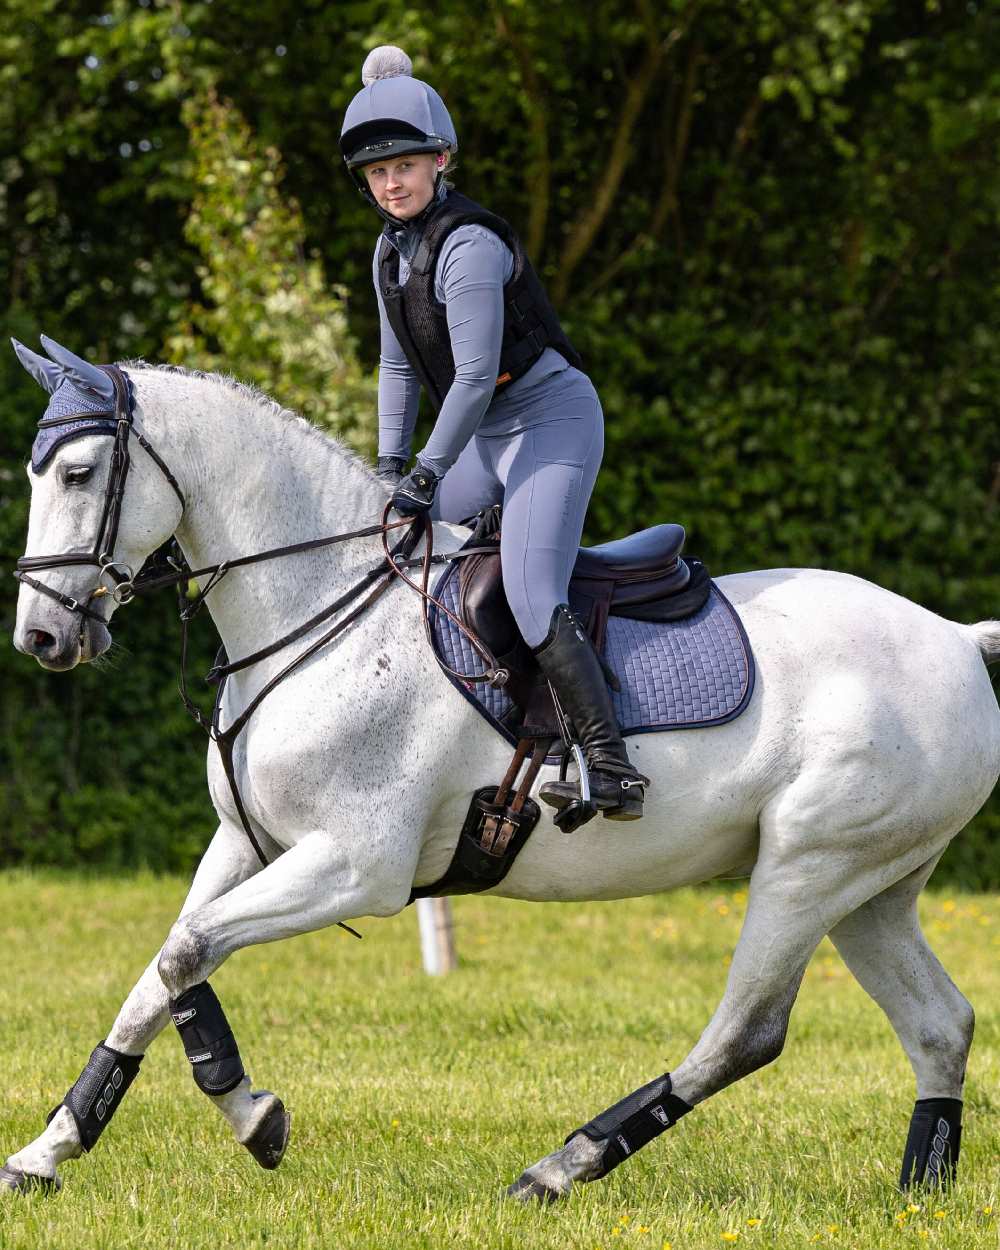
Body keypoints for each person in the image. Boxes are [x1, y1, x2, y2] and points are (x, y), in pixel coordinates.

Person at [339, 46, 648, 822]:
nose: (391, 184)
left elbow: (473, 379)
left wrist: (425, 474)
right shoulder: (388, 251)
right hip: (481, 437)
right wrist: (388, 471)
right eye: (377, 174)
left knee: (531, 586)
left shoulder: (468, 244)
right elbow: (398, 368)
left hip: (548, 420)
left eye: (405, 166)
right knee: (411, 560)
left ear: (440, 160)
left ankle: (612, 766)